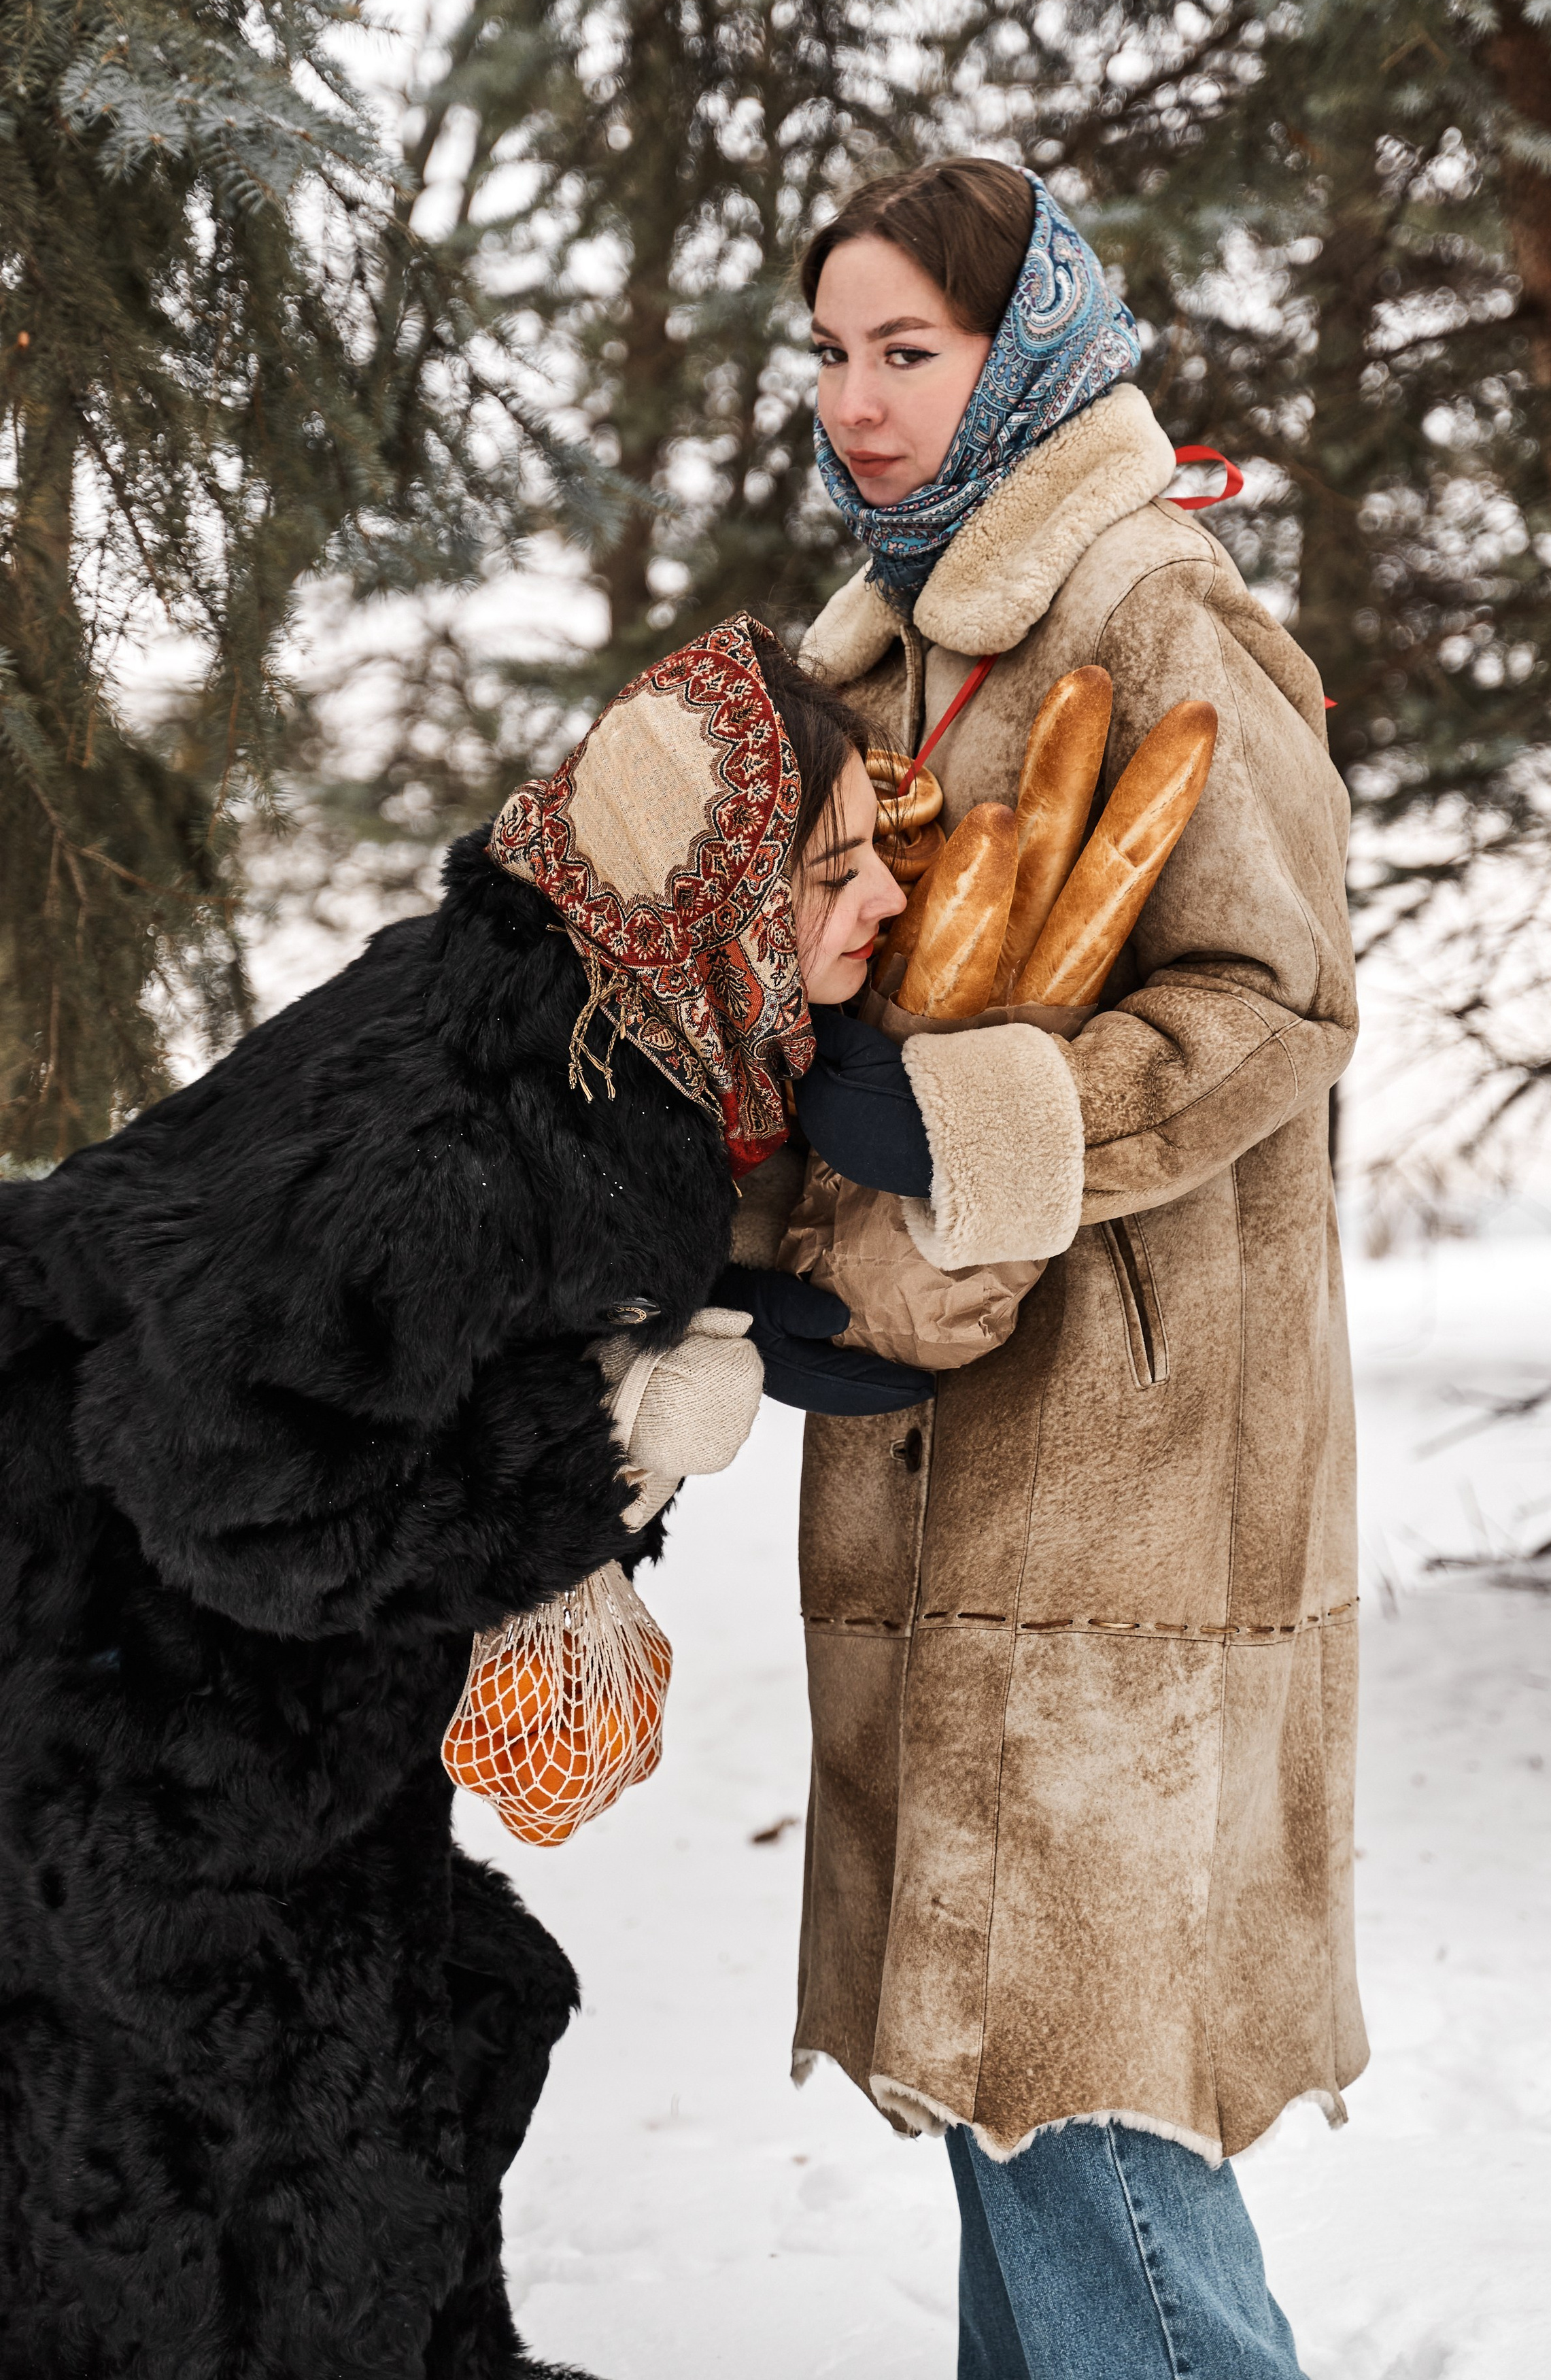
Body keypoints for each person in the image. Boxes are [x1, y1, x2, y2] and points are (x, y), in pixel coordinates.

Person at [0, 613, 919, 2379]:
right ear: (708, 880)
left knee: (450, 2024)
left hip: (253, 1706)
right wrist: (598, 1452)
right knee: (210, 2154)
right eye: (835, 868)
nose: (874, 908)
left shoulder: (596, 1052)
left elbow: (413, 1390)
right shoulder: (470, 1113)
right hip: (119, 1704)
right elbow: (222, 1469)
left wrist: (635, 1406)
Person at [774, 157, 1365, 2377]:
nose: (857, 398)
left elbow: (1278, 1000)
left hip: (1123, 1502)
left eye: (907, 350)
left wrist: (974, 1125)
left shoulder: (1154, 612)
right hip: (935, 1456)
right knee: (1003, 2122)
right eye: (830, 354)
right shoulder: (903, 648)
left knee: (1090, 2140)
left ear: (1024, 351)